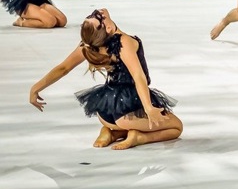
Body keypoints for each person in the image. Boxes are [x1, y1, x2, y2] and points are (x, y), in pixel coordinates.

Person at [28, 8, 182, 149]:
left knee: (121, 123)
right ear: (108, 28)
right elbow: (138, 76)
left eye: (92, 15)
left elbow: (63, 68)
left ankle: (112, 131)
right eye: (97, 17)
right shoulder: (123, 42)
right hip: (128, 112)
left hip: (105, 113)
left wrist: (36, 88)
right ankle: (139, 137)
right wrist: (148, 108)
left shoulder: (89, 45)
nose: (98, 11)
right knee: (176, 128)